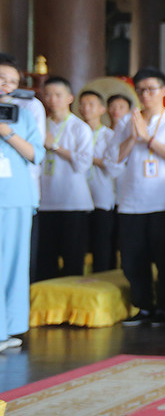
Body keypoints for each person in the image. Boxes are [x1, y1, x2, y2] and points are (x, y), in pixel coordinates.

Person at [106, 67, 165, 326]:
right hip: (131, 202)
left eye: (151, 89)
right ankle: (143, 307)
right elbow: (112, 161)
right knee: (133, 259)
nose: (145, 95)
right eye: (140, 90)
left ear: (163, 91)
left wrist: (148, 138)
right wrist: (133, 137)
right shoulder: (126, 121)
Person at [0, 55, 45, 351]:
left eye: (13, 82)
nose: (7, 86)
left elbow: (35, 154)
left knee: (13, 263)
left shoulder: (21, 114)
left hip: (16, 197)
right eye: (2, 79)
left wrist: (8, 132)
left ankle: (10, 326)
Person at [37, 77, 95, 280]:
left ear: (70, 98)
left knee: (72, 259)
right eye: (48, 95)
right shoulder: (39, 125)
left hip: (73, 202)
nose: (53, 99)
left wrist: (55, 147)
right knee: (44, 260)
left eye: (58, 95)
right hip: (44, 202)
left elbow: (83, 164)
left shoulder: (80, 128)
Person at [77, 90, 117, 272]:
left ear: (102, 109)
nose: (86, 108)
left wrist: (86, 158)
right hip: (78, 194)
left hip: (102, 195)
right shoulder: (76, 131)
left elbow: (113, 166)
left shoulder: (110, 136)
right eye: (83, 104)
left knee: (102, 243)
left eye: (91, 104)